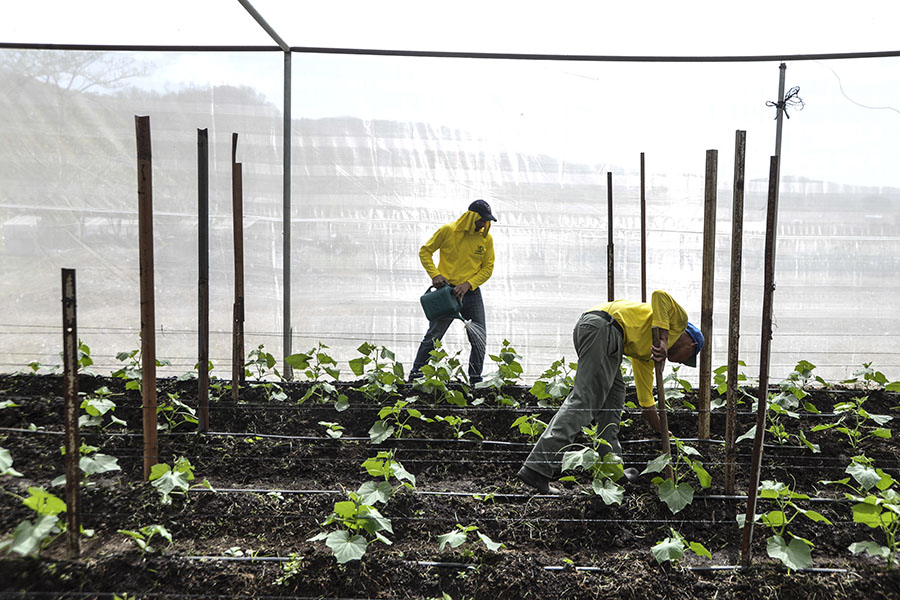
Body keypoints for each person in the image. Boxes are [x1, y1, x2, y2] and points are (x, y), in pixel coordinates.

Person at [517, 289, 704, 494]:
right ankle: (537, 468)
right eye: (687, 357)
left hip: (605, 334)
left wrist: (661, 430)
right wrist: (663, 338)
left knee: (614, 399)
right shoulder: (679, 321)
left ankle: (612, 472)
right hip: (603, 327)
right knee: (585, 401)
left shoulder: (646, 354)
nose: (680, 361)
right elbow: (659, 296)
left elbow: (646, 401)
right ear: (691, 344)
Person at [409, 200, 496, 385]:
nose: (483, 224)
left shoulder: (485, 239)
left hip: (471, 294)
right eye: (481, 220)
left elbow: (487, 268)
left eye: (486, 221)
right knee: (433, 337)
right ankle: (415, 375)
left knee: (479, 338)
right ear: (472, 216)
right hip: (447, 294)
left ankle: (475, 380)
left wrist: (469, 284)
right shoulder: (448, 231)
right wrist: (435, 275)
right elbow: (425, 251)